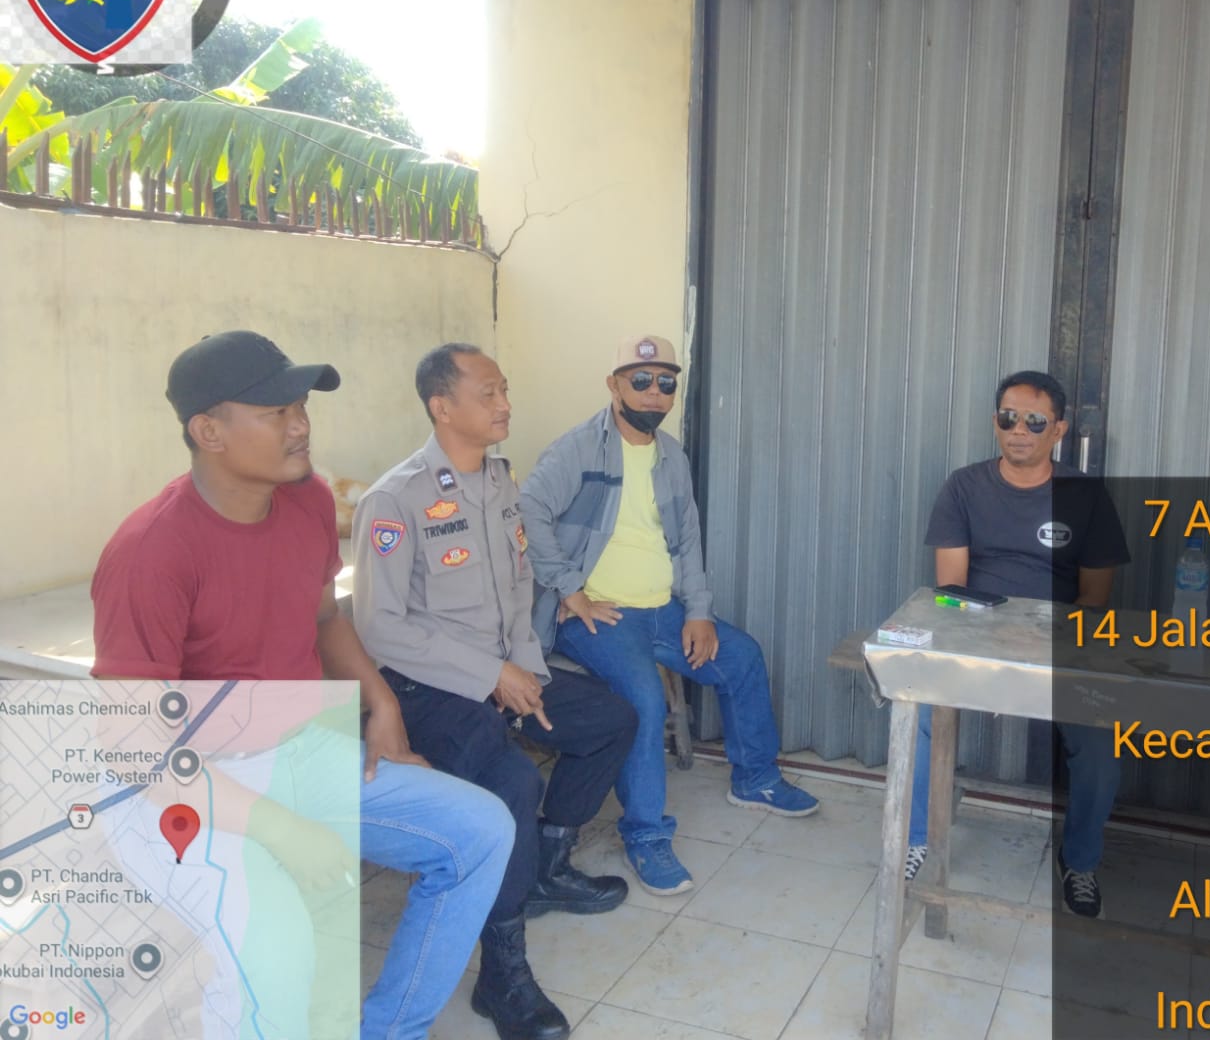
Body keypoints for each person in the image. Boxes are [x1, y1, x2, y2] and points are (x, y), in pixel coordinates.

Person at [91, 330, 515, 1040]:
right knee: (277, 958)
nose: (300, 426)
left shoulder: (309, 500)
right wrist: (285, 831)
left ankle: (390, 1030)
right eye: (275, 413)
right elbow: (137, 750)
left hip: (292, 753)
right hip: (180, 788)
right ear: (208, 431)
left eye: (300, 407)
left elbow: (321, 617)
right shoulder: (151, 552)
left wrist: (381, 702)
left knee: (481, 831)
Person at [354, 343, 640, 1040]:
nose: (505, 404)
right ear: (442, 406)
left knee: (610, 720)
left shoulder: (500, 482)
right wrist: (490, 678)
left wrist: (524, 670)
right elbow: (380, 627)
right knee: (509, 780)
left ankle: (546, 864)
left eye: (504, 389)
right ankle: (502, 970)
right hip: (430, 690)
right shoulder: (395, 498)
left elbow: (517, 591)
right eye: (488, 393)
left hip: (506, 672)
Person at [519, 334, 819, 896]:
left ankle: (755, 779)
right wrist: (568, 590)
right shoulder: (577, 449)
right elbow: (527, 510)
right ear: (613, 386)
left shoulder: (670, 456)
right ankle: (646, 834)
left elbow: (686, 541)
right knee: (644, 699)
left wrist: (698, 612)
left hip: (665, 610)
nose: (654, 393)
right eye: (640, 381)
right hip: (602, 618)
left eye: (665, 383)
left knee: (742, 658)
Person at [915, 370, 1130, 921]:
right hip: (977, 638)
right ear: (996, 422)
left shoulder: (1085, 496)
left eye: (1035, 421)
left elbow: (1095, 599)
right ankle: (919, 839)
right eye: (1009, 418)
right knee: (919, 714)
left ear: (1058, 430)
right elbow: (950, 589)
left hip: (1061, 645)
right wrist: (995, 636)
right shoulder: (964, 487)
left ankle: (1079, 861)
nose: (1020, 430)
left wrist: (1041, 638)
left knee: (1101, 746)